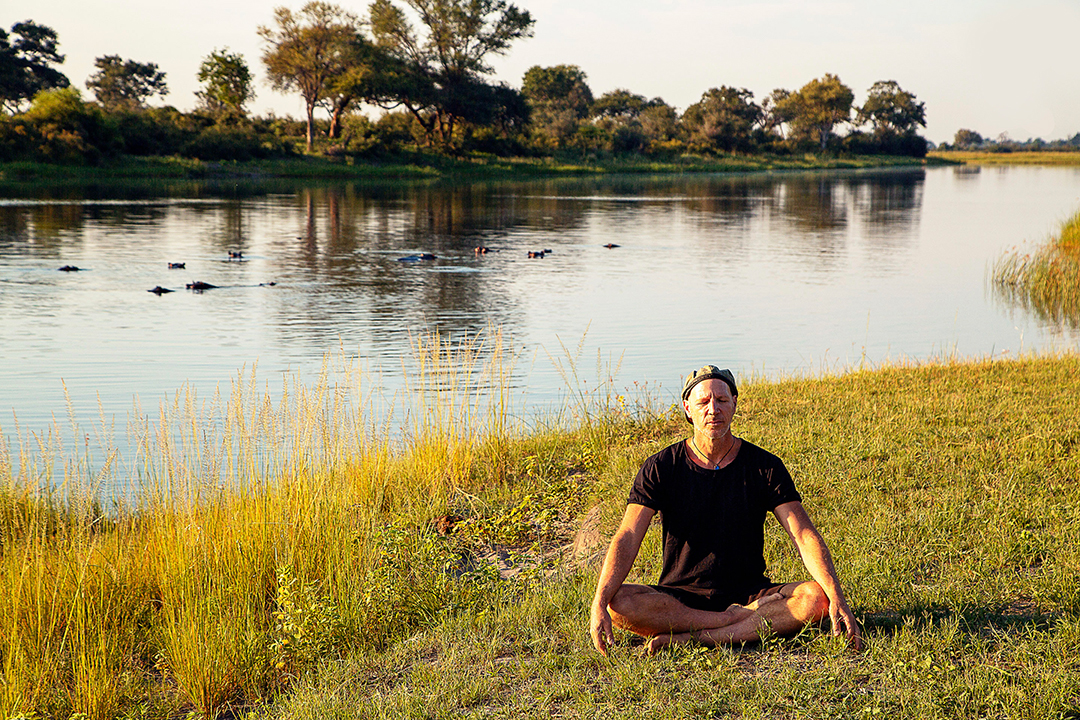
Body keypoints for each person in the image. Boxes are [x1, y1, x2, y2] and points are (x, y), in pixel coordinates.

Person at [589, 365, 862, 655]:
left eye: (721, 400)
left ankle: (696, 638)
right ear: (687, 409)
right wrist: (598, 603)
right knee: (618, 602)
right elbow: (629, 534)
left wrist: (836, 596)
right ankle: (731, 624)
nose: (713, 409)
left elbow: (802, 533)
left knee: (815, 598)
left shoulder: (765, 466)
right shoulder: (661, 466)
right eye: (703, 402)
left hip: (751, 595)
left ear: (734, 403)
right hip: (681, 598)